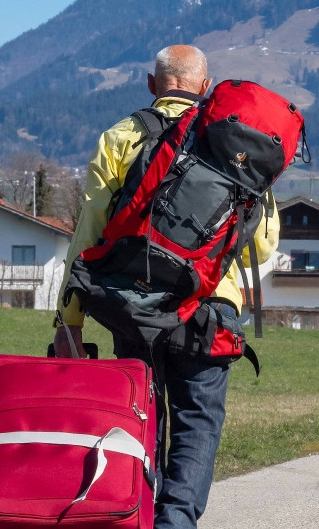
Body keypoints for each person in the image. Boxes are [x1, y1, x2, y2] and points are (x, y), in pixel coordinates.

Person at [53, 44, 279, 529]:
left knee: (140, 419)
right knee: (197, 424)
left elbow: (88, 234)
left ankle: (137, 514)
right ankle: (176, 521)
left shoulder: (120, 137)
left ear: (151, 84)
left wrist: (69, 320)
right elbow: (260, 247)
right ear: (205, 86)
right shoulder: (239, 145)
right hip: (209, 308)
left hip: (135, 307)